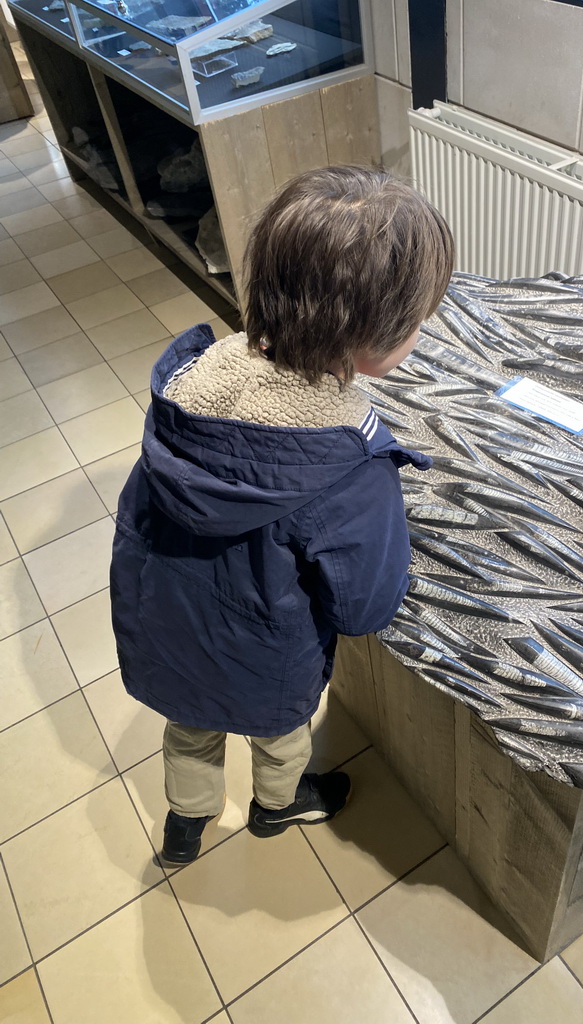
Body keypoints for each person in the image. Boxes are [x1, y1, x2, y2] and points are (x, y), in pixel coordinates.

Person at [110, 165, 454, 866]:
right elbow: (364, 608)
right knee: (280, 738)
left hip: (166, 634)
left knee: (191, 729)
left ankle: (186, 821)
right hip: (265, 659)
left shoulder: (189, 386)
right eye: (418, 321)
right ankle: (278, 806)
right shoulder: (347, 468)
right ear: (374, 342)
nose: (422, 331)